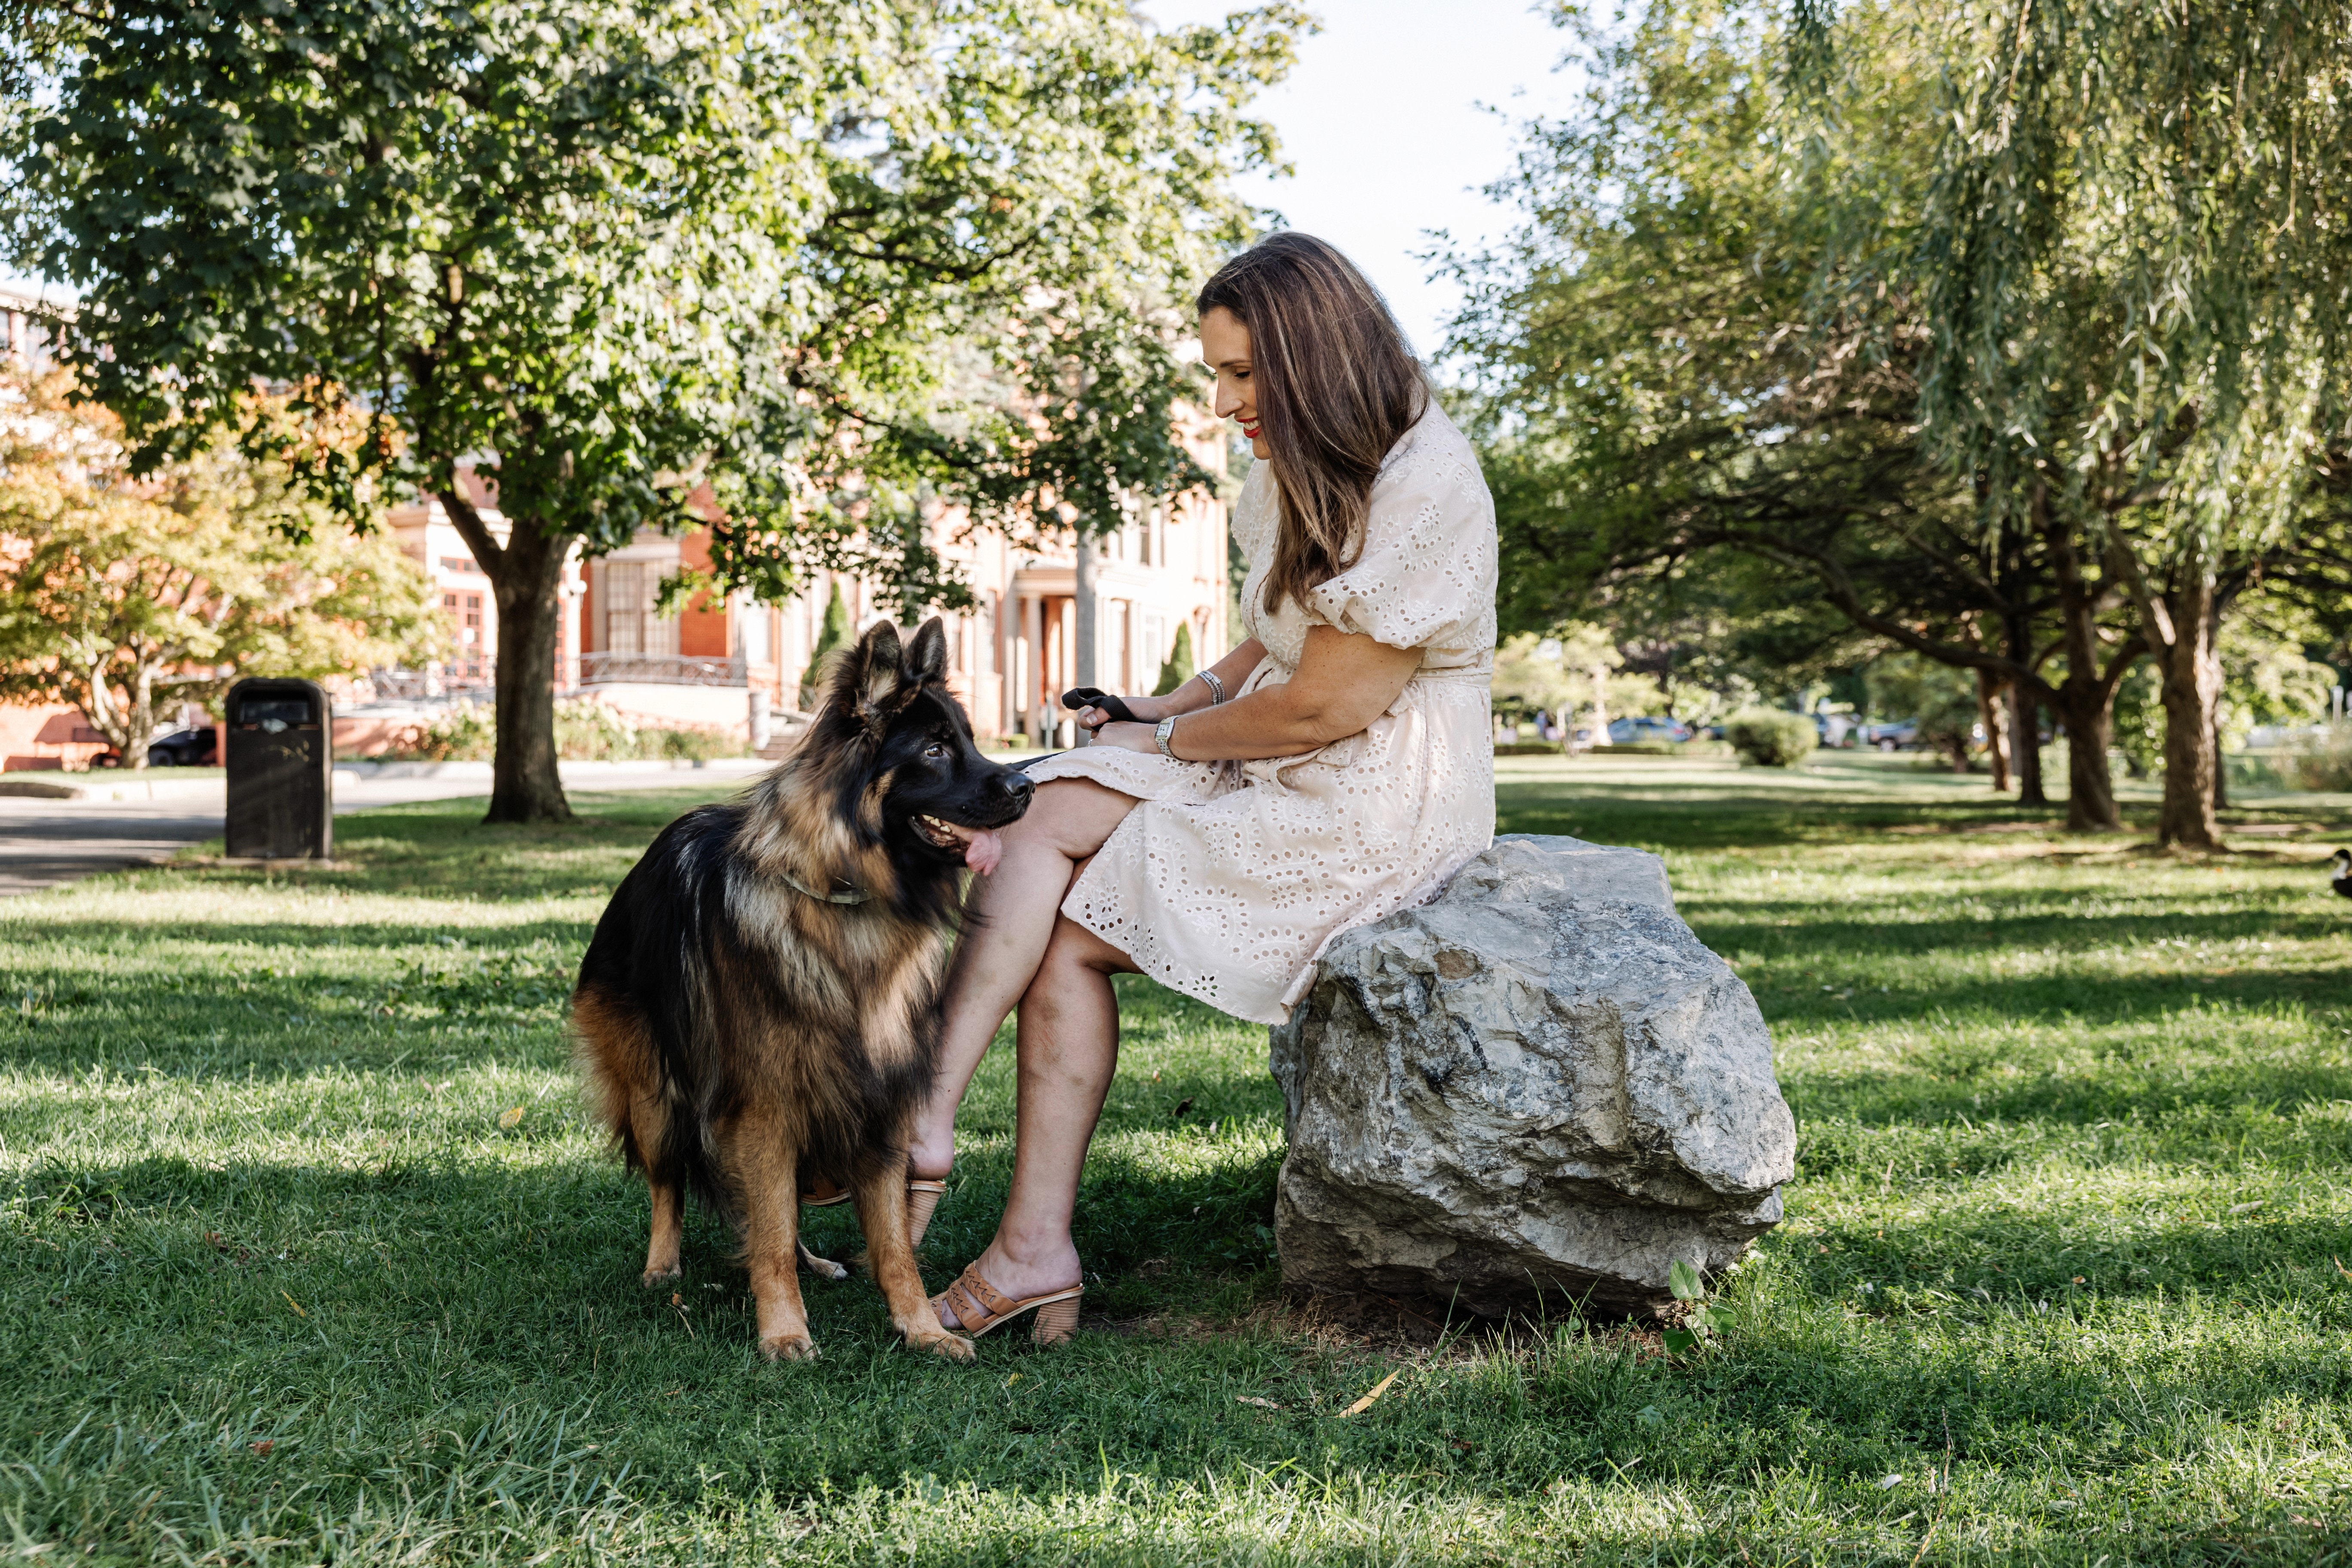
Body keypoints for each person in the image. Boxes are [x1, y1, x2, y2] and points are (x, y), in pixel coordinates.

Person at [911, 233, 1499, 1343]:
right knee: (1035, 815)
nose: (1225, 403)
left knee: (1069, 922)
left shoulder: (1428, 486)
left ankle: (983, 1192)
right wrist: (1162, 710)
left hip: (1373, 798)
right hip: (1283, 755)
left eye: (1241, 373)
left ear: (1314, 356)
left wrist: (1165, 753)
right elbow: (1270, 646)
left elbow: (1327, 705)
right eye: (1217, 375)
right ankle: (938, 1130)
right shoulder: (1300, 463)